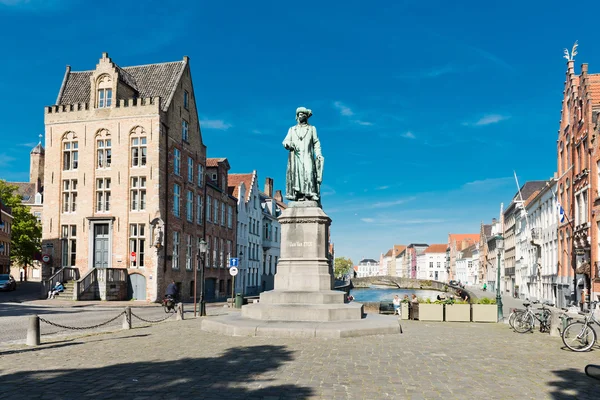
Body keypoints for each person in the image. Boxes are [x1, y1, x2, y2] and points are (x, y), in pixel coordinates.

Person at [283, 107, 324, 203]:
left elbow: (316, 143)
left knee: (309, 172)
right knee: (297, 175)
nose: (302, 116)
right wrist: (288, 144)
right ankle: (299, 194)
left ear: (306, 117)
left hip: (307, 155)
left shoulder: (312, 129)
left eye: (303, 114)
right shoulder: (292, 129)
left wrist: (318, 154)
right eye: (300, 114)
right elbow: (286, 140)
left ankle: (311, 193)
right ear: (297, 116)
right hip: (296, 156)